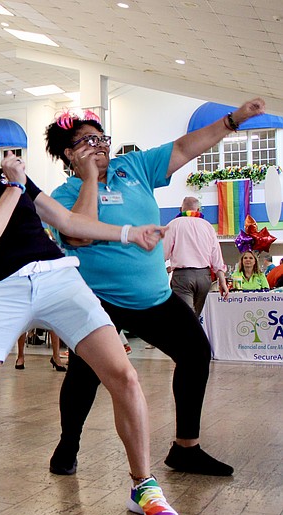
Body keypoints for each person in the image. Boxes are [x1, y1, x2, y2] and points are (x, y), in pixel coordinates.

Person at [0, 103, 180, 515]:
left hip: (57, 278)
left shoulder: (13, 180)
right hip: (0, 291)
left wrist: (129, 233)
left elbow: (66, 220)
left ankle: (143, 485)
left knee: (123, 376)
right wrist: (13, 188)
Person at [44, 99, 265, 481]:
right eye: (87, 141)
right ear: (69, 153)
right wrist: (91, 178)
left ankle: (185, 449)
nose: (99, 145)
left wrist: (232, 121)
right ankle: (69, 443)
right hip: (98, 301)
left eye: (101, 138)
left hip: (153, 298)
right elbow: (78, 234)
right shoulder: (62, 197)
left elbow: (183, 148)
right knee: (85, 374)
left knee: (196, 353)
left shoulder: (135, 168)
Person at [162, 196, 228, 315]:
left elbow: (162, 253)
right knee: (194, 317)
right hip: (204, 277)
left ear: (180, 209)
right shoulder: (208, 226)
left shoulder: (173, 224)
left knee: (185, 317)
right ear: (198, 210)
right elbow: (216, 255)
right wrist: (222, 281)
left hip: (183, 277)